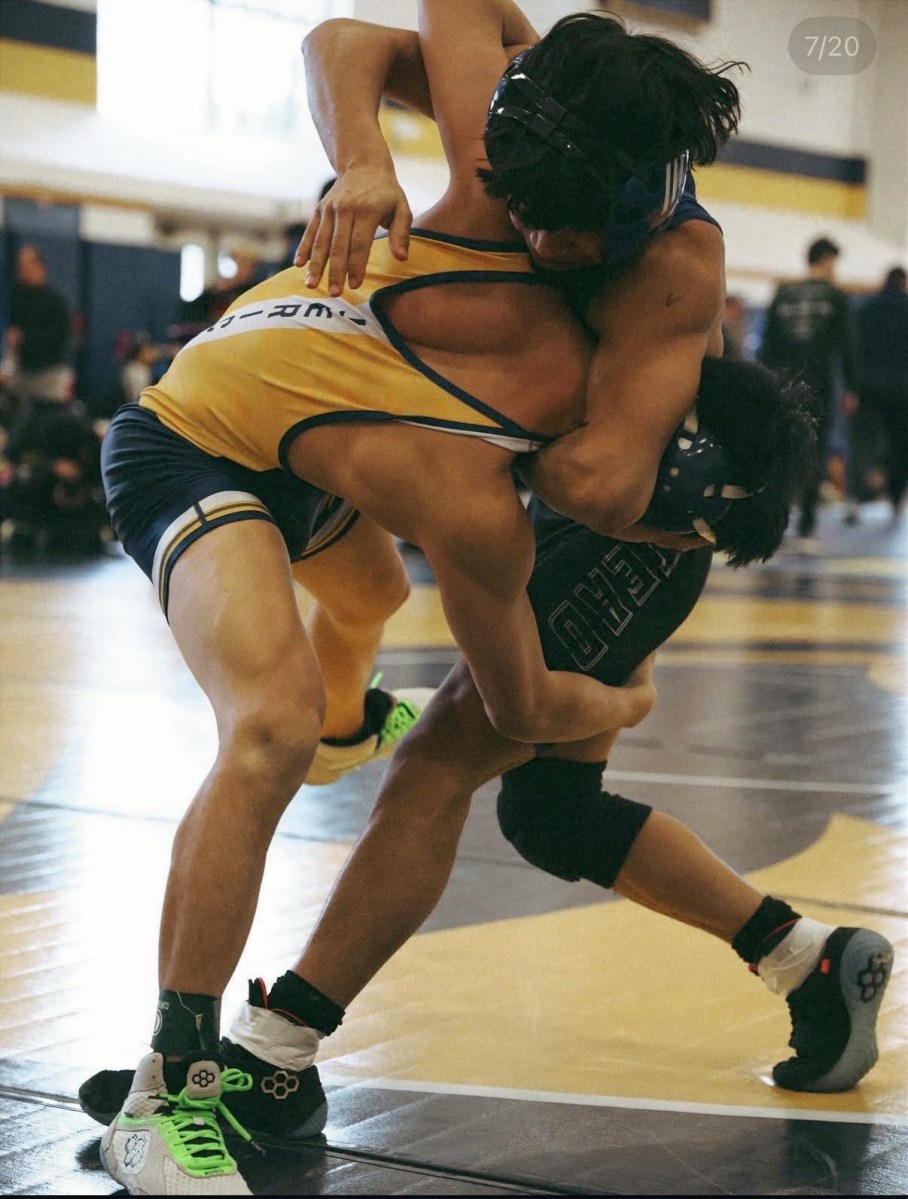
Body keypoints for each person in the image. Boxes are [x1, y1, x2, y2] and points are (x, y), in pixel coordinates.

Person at [80, 4, 888, 1190]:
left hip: (644, 509)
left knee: (447, 749)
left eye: (562, 225)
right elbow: (352, 38)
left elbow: (602, 483)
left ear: (635, 197)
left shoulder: (667, 278)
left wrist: (605, 686)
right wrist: (361, 156)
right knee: (530, 799)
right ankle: (802, 955)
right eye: (509, 196)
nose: (532, 233)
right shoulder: (520, 129)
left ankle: (264, 1051)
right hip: (364, 447)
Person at [758, 236, 858, 552]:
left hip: (782, 383)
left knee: (781, 451)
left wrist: (765, 385)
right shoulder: (836, 297)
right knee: (815, 450)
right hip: (819, 385)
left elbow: (767, 345)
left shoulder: (783, 293)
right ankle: (806, 527)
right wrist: (852, 388)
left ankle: (774, 523)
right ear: (828, 259)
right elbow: (847, 347)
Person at [845, 266, 908, 526]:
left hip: (867, 388)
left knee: (862, 443)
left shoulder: (865, 309)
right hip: (902, 390)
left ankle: (853, 499)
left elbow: (853, 350)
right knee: (900, 445)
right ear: (903, 283)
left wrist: (852, 388)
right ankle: (895, 499)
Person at [3, 244, 72, 404]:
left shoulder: (55, 302)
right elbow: (12, 337)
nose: (21, 271)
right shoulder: (17, 297)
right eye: (19, 267)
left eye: (25, 266)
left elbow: (57, 340)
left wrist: (25, 338)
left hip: (48, 375)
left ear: (38, 266)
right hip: (22, 372)